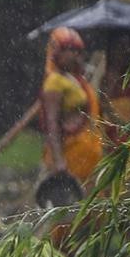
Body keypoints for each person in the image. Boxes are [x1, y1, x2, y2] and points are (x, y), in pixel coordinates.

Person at [40, 27, 102, 189]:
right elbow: (51, 122)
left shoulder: (74, 79)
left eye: (77, 50)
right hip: (70, 156)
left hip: (87, 156)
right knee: (76, 207)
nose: (75, 54)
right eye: (70, 49)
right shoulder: (54, 82)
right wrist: (59, 161)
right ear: (57, 52)